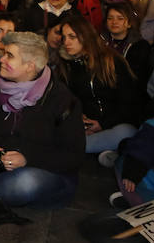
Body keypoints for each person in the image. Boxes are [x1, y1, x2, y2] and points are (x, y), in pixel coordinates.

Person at [0, 32, 84, 215]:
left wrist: (27, 158)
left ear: (29, 66)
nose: (1, 59)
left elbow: (73, 156)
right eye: (4, 53)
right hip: (0, 164)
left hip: (46, 171)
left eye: (10, 55)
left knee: (24, 183)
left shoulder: (62, 100)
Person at [57, 14, 138, 155]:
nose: (66, 42)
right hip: (86, 128)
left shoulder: (111, 61)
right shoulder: (66, 67)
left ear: (85, 36)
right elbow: (66, 102)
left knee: (126, 132)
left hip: (115, 124)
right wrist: (78, 118)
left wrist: (103, 124)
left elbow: (130, 103)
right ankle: (107, 152)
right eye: (64, 37)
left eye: (72, 37)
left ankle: (96, 149)